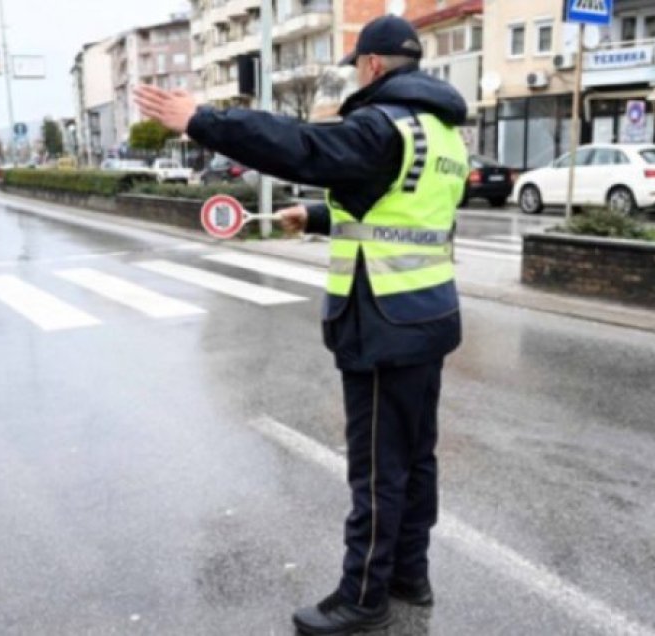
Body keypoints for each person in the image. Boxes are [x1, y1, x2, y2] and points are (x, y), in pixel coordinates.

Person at [135, 14, 468, 636]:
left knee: (376, 469)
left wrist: (204, 120)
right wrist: (315, 218)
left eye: (354, 70)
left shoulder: (381, 123)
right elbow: (402, 208)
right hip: (430, 317)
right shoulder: (442, 134)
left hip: (381, 322)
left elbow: (306, 148)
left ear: (370, 66)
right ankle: (408, 576)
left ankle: (362, 597)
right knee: (416, 458)